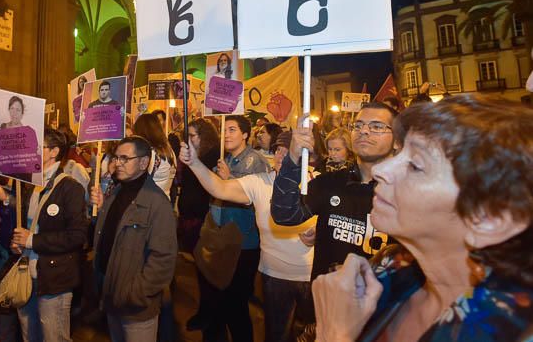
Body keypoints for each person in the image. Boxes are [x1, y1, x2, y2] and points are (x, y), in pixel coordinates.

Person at [311, 94, 533, 342]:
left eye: (415, 165)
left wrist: (334, 335)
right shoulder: (390, 268)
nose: (382, 171)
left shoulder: (510, 331)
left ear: (489, 218)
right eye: (401, 154)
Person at [180, 130, 315, 342]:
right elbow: (220, 188)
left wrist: (321, 231)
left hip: (312, 277)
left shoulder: (318, 183)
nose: (281, 156)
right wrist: (194, 162)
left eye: (289, 151)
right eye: (278, 150)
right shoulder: (260, 182)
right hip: (274, 277)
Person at [271, 102, 397, 281]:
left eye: (377, 126)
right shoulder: (329, 182)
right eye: (358, 125)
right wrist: (293, 157)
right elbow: (284, 214)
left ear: (398, 139)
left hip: (382, 305)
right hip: (325, 302)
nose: (364, 131)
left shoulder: (407, 194)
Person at [187, 115, 269, 342]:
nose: (227, 134)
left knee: (236, 306)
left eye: (232, 130)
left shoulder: (255, 160)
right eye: (224, 130)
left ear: (245, 134)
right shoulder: (226, 159)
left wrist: (228, 179)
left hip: (243, 244)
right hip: (220, 241)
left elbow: (255, 198)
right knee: (218, 303)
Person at [90, 136, 177, 342]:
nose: (117, 163)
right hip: (111, 292)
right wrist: (102, 209)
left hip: (135, 305)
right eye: (116, 158)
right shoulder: (117, 191)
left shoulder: (157, 203)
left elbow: (163, 259)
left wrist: (136, 293)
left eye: (124, 158)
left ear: (143, 162)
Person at [11, 128, 88, 342]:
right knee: (29, 335)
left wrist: (32, 241)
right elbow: (27, 226)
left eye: (38, 147)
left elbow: (77, 236)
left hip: (54, 277)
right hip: (27, 274)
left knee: (54, 336)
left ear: (53, 152)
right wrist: (18, 242)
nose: (32, 152)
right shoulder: (30, 185)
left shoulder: (70, 188)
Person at [177, 118, 220, 253]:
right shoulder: (191, 153)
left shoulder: (214, 155)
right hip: (188, 213)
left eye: (192, 136)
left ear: (204, 136)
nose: (189, 140)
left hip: (201, 215)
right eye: (187, 136)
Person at [133, 113, 176, 199]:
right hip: (164, 200)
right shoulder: (169, 150)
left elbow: (140, 182)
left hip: (150, 204)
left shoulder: (151, 153)